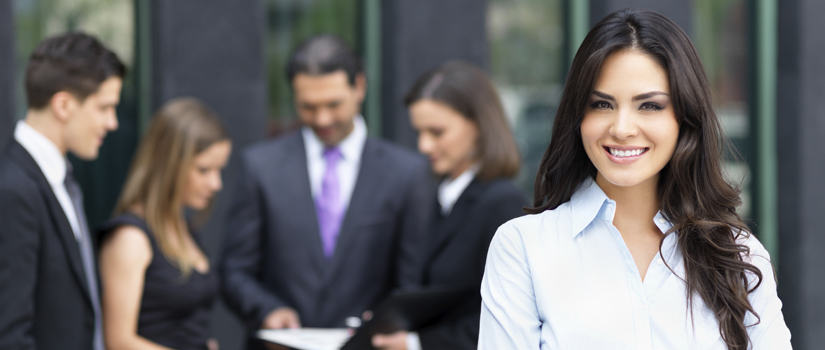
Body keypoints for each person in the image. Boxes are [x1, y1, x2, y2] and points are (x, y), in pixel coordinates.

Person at [478, 9, 791, 350]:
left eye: (649, 106)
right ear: (578, 116)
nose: (622, 128)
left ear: (684, 119)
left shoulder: (738, 254)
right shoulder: (523, 248)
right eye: (601, 104)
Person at [220, 34, 433, 348]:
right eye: (308, 107)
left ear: (359, 87)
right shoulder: (260, 167)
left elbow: (411, 279)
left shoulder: (406, 173)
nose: (322, 119)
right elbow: (235, 270)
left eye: (333, 104)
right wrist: (268, 311)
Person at [369, 61, 526, 350]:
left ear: (478, 125)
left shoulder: (503, 204)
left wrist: (415, 344)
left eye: (437, 132)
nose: (424, 146)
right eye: (419, 132)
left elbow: (505, 318)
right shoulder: (435, 195)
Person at [0, 32, 124, 350]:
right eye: (104, 108)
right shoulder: (14, 190)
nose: (113, 123)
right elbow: (10, 334)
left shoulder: (59, 180)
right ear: (64, 105)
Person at [97, 97, 230, 350]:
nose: (216, 184)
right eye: (204, 170)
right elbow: (118, 341)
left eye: (219, 170)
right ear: (169, 165)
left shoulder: (185, 227)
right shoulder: (130, 238)